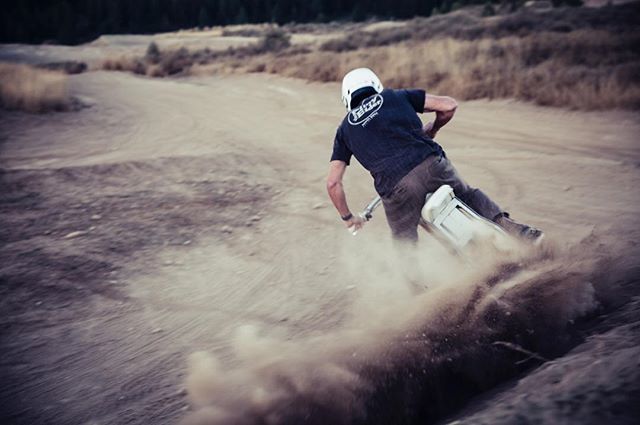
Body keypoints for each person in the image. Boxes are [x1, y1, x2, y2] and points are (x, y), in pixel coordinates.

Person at [326, 67, 543, 243]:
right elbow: (448, 106)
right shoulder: (396, 96)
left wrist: (348, 218)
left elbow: (333, 184)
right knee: (468, 195)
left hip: (397, 189)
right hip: (432, 166)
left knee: (404, 241)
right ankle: (519, 232)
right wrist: (433, 129)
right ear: (375, 85)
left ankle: (421, 292)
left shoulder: (344, 130)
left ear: (347, 97)